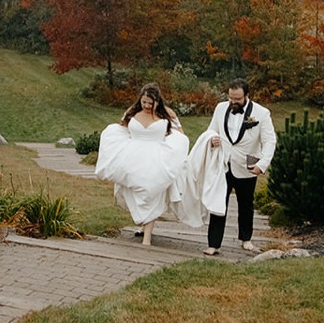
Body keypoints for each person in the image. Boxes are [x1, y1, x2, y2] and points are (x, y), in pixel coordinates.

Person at [93, 82, 188, 246]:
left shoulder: (167, 114)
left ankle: (147, 238)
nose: (146, 106)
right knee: (136, 192)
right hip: (133, 157)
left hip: (156, 159)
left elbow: (180, 134)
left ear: (157, 101)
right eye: (144, 102)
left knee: (151, 192)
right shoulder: (132, 112)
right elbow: (122, 128)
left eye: (150, 103)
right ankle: (143, 224)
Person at [201, 78, 276, 256]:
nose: (233, 102)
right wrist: (212, 140)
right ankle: (214, 244)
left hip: (248, 164)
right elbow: (211, 130)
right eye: (230, 98)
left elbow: (269, 141)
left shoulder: (262, 113)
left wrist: (262, 164)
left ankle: (246, 239)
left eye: (237, 99)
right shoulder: (220, 108)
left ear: (247, 96)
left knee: (246, 204)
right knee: (219, 203)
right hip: (224, 163)